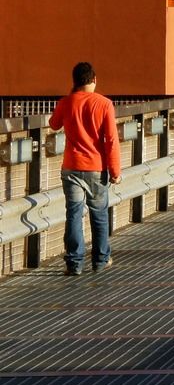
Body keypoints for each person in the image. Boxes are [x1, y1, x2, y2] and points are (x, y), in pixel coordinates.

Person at [48, 62, 122, 276]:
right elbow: (110, 140)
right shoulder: (104, 104)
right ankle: (100, 260)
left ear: (74, 81)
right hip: (96, 169)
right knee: (99, 215)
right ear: (94, 79)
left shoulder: (67, 102)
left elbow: (54, 124)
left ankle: (74, 262)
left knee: (74, 214)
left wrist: (69, 100)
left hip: (71, 167)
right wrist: (115, 171)